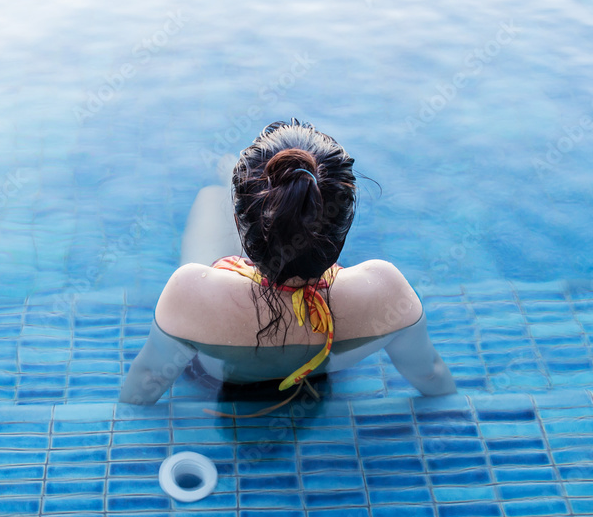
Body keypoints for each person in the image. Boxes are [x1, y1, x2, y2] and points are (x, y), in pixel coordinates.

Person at [119, 119, 455, 412]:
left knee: (209, 198)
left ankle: (235, 190)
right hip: (320, 374)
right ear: (347, 223)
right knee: (298, 237)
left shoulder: (188, 293)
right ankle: (293, 218)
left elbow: (147, 379)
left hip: (216, 378)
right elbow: (429, 375)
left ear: (239, 221)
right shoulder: (385, 289)